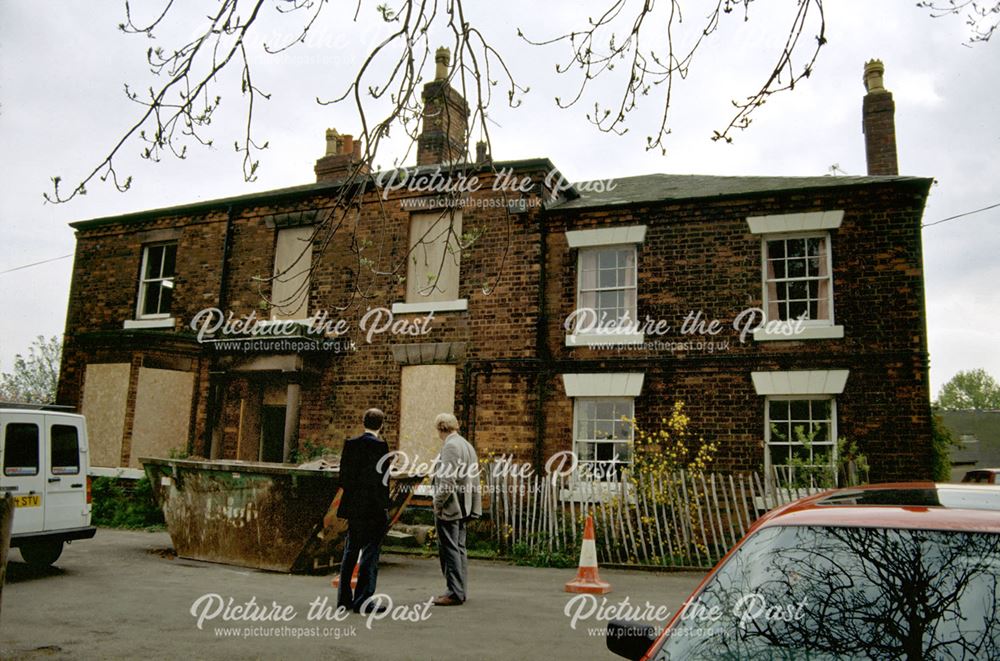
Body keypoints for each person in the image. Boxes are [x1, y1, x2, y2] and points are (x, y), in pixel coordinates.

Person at [336, 408, 391, 614]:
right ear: (382, 424)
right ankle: (363, 600)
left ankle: (343, 599)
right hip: (373, 508)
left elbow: (344, 479)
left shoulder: (351, 445)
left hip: (354, 508)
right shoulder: (380, 446)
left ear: (363, 422)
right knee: (370, 553)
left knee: (350, 551)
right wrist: (384, 506)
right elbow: (382, 481)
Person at [431, 413, 483, 606]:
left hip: (451, 507)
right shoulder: (466, 445)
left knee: (449, 550)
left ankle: (453, 592)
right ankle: (459, 590)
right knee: (459, 549)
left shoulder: (451, 446)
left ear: (440, 428)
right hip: (464, 505)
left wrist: (437, 503)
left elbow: (447, 480)